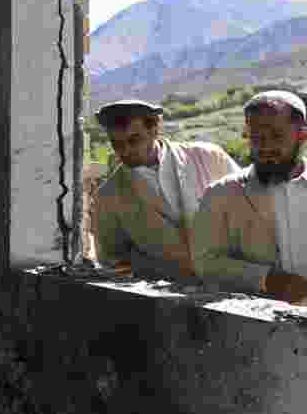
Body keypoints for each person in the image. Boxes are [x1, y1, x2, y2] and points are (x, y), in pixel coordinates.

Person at [92, 99, 241, 281]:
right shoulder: (108, 195)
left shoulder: (208, 156)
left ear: (155, 129)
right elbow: (112, 260)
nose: (125, 151)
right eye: (117, 144)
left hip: (235, 284)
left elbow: (247, 205)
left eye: (134, 140)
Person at [192, 90, 307, 304]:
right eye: (256, 137)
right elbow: (205, 262)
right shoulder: (222, 194)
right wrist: (265, 279)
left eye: (276, 136)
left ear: (302, 135)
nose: (265, 147)